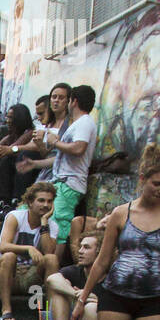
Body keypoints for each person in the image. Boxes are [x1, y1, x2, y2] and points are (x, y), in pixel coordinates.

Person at [73, 143, 160, 320]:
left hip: (154, 297)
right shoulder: (121, 213)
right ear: (142, 180)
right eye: (156, 184)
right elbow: (102, 261)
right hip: (116, 294)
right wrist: (83, 298)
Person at [0, 181, 60, 320]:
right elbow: (4, 246)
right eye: (41, 200)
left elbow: (49, 252)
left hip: (30, 277)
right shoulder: (15, 216)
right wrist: (29, 248)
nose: (45, 205)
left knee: (52, 259)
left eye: (49, 201)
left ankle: (49, 314)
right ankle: (6, 310)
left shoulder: (52, 225)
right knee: (9, 255)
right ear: (30, 202)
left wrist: (44, 222)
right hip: (5, 274)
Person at [44, 84, 97, 254]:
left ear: (73, 101)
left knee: (59, 226)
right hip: (63, 182)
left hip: (70, 184)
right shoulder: (80, 123)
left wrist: (55, 142)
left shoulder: (84, 122)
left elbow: (78, 148)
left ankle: (53, 265)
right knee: (53, 223)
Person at [14, 82, 71, 184]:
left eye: (61, 97)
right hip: (47, 167)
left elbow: (64, 156)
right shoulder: (50, 124)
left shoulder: (70, 124)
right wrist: (40, 143)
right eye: (54, 97)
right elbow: (46, 153)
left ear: (68, 101)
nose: (56, 100)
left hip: (61, 171)